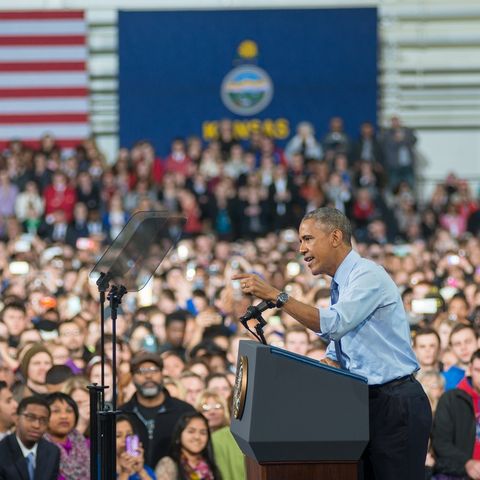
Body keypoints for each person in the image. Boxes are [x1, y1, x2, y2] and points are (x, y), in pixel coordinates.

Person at [233, 207, 432, 480]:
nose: (301, 248)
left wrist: (276, 296)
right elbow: (344, 338)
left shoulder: (366, 275)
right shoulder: (341, 283)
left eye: (308, 239)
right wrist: (321, 366)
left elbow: (334, 323)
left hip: (395, 405)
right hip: (362, 403)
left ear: (336, 237)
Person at [120, 352, 195, 468]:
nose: (148, 376)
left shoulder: (184, 411)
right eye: (141, 371)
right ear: (132, 377)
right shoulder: (121, 414)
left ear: (162, 374)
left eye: (153, 370)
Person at [432, 350, 480, 479]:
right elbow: (441, 443)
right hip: (460, 474)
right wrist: (467, 463)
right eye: (478, 370)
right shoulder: (451, 399)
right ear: (470, 369)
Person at [0, 396, 60, 480]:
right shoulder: (2, 451)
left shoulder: (52, 452)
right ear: (17, 419)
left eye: (43, 420)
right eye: (30, 417)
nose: (37, 425)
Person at [154, 411, 222, 480]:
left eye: (203, 432)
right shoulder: (168, 464)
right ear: (179, 435)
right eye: (191, 431)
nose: (197, 437)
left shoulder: (211, 466)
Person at [44, 392, 90, 480]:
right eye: (56, 411)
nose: (64, 416)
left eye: (69, 411)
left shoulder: (87, 444)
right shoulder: (38, 448)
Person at [116, 414, 156, 480]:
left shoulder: (146, 471)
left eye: (129, 435)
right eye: (118, 436)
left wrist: (140, 471)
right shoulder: (99, 468)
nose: (124, 439)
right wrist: (125, 472)